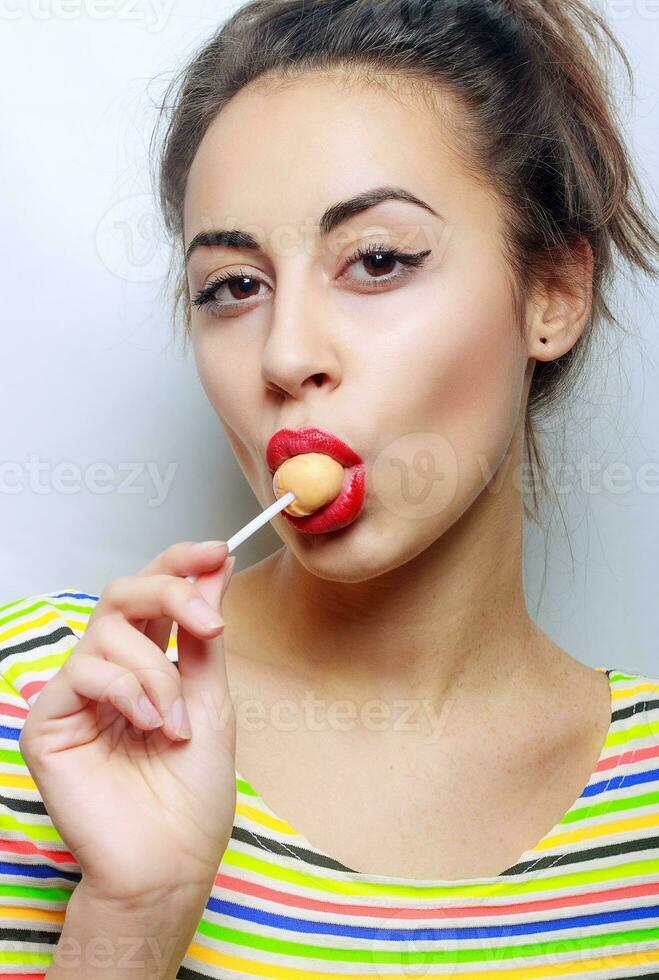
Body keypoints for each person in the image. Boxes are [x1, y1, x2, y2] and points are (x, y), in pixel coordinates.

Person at [1, 0, 658, 976]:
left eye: (378, 260)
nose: (285, 353)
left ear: (551, 294)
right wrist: (135, 916)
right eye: (233, 285)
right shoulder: (60, 704)